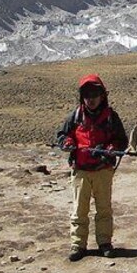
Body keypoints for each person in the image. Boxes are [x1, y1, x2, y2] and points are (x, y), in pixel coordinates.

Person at [56, 74, 128, 262]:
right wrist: (68, 142)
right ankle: (78, 244)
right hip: (80, 169)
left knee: (104, 208)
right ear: (82, 97)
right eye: (87, 95)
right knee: (79, 209)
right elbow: (62, 136)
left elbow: (122, 140)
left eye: (95, 94)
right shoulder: (75, 116)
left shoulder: (111, 117)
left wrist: (112, 149)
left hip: (103, 170)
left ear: (102, 95)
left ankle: (105, 243)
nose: (91, 99)